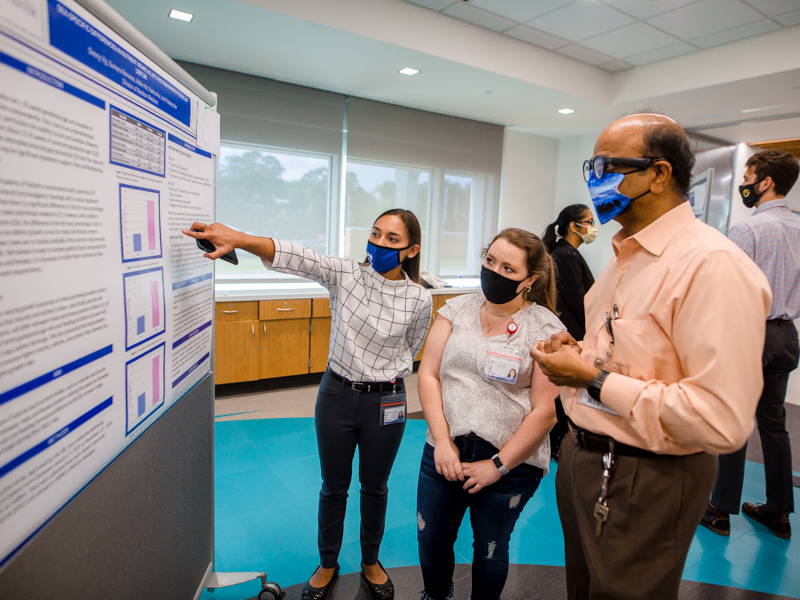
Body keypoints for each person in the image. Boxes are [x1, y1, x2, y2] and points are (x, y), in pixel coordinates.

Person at [530, 113, 772, 600]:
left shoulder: (712, 266)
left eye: (605, 168)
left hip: (644, 473)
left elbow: (722, 419)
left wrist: (592, 379)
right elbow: (628, 351)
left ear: (659, 174)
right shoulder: (626, 256)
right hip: (583, 456)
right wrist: (579, 353)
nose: (594, 182)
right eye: (590, 169)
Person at [183, 209, 433, 600]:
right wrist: (240, 239)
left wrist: (382, 371)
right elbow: (298, 255)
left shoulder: (419, 298)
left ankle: (371, 561)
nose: (379, 244)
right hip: (336, 396)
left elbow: (411, 348)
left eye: (392, 240)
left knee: (376, 486)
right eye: (375, 234)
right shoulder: (347, 274)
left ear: (411, 250)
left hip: (387, 401)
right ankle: (327, 564)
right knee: (333, 488)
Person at [416, 228, 563, 600]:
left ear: (530, 280)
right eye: (489, 261)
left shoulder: (545, 329)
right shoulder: (456, 310)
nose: (493, 272)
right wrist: (443, 443)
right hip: (444, 451)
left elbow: (545, 412)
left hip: (510, 463)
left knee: (490, 549)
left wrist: (497, 465)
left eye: (508, 268)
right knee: (431, 539)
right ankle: (435, 595)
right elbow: (429, 375)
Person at [702, 150, 800, 540]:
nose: (744, 183)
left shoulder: (747, 231)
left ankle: (720, 510)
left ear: (766, 183)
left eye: (749, 176)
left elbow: (729, 291)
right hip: (787, 336)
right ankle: (779, 512)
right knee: (774, 423)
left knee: (736, 419)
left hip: (752, 333)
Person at [542, 204, 597, 459]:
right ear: (574, 226)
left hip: (569, 330)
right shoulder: (566, 255)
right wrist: (594, 331)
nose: (593, 226)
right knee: (560, 392)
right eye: (588, 221)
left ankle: (556, 441)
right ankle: (555, 444)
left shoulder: (567, 252)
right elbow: (579, 301)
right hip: (571, 331)